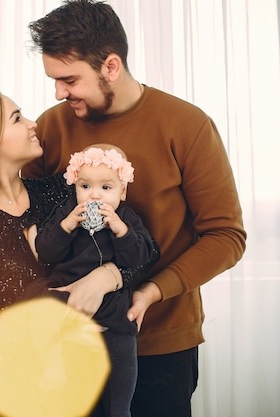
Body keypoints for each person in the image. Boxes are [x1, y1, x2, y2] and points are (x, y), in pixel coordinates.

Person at [24, 2, 247, 416]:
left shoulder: (187, 125)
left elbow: (226, 236)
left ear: (111, 66)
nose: (58, 93)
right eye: (54, 80)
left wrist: (147, 291)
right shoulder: (52, 126)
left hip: (160, 345)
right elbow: (28, 222)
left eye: (69, 79)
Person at [0, 90, 159, 417]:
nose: (33, 124)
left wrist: (108, 277)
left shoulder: (60, 194)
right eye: (17, 118)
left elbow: (139, 251)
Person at [34, 144, 154, 417]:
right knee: (44, 308)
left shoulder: (126, 219)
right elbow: (45, 252)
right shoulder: (66, 213)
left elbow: (140, 258)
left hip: (111, 308)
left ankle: (119, 408)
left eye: (106, 188)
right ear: (75, 186)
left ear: (122, 191)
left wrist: (121, 231)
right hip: (66, 297)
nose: (94, 195)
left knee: (122, 345)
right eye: (85, 186)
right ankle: (53, 368)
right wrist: (65, 226)